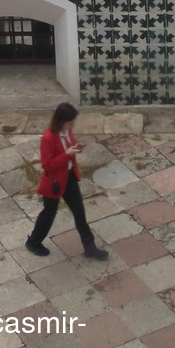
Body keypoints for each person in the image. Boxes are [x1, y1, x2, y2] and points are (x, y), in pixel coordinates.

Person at [26, 103, 108, 260]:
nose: (72, 126)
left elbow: (69, 146)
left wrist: (76, 147)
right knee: (48, 214)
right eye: (70, 123)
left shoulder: (67, 131)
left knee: (79, 213)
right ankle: (33, 242)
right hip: (55, 183)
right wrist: (66, 154)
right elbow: (47, 165)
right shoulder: (48, 138)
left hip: (69, 178)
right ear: (61, 121)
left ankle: (90, 248)